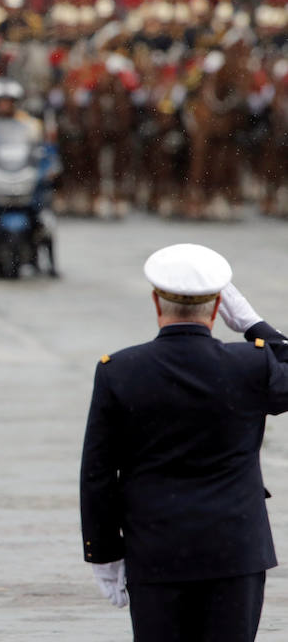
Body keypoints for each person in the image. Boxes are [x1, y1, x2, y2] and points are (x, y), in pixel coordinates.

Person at [80, 243, 288, 642]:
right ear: (216, 309)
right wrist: (254, 324)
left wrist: (103, 552)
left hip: (156, 550)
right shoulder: (251, 364)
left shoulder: (119, 370)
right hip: (235, 549)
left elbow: (98, 473)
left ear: (156, 303)